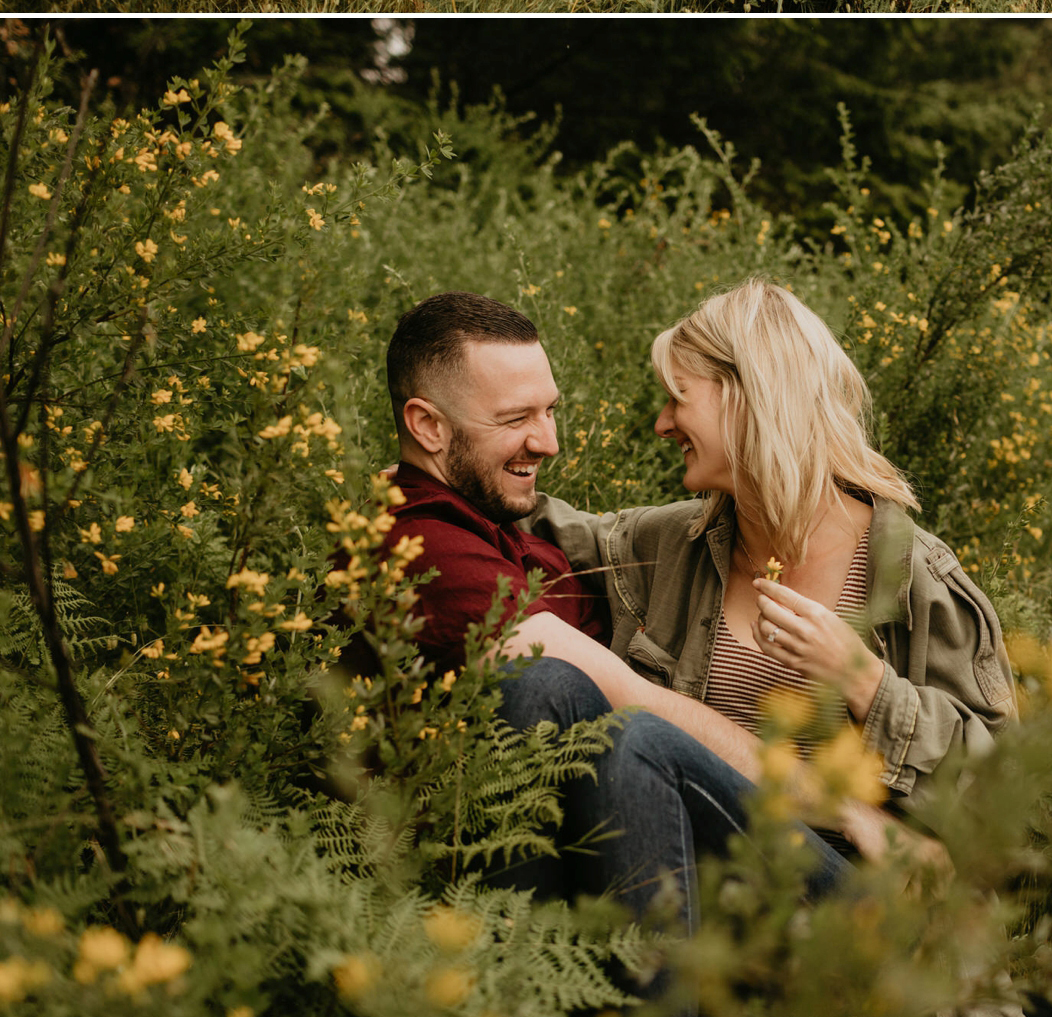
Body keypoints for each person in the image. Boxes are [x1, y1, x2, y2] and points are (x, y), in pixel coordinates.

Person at [364, 290, 877, 929]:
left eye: (550, 410)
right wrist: (846, 807)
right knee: (591, 711)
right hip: (694, 873)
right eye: (515, 417)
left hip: (821, 880)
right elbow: (630, 696)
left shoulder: (909, 573)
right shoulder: (416, 545)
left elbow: (977, 761)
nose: (548, 442)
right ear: (428, 426)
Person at [529, 279, 1015, 814]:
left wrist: (866, 683)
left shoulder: (917, 580)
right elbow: (531, 526)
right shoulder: (666, 544)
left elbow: (1004, 793)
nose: (662, 424)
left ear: (749, 397)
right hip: (693, 865)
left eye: (678, 397)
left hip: (844, 883)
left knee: (644, 739)